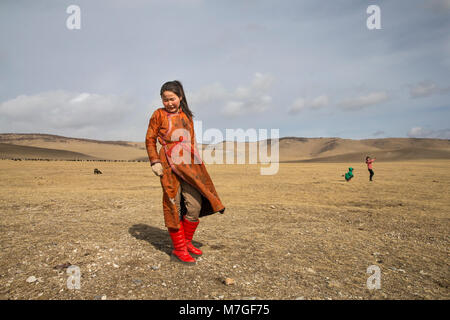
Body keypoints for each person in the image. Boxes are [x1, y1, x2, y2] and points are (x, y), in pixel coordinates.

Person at [145, 80, 225, 264]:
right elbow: (150, 139)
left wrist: (197, 162)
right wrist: (154, 161)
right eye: (165, 99)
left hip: (189, 163)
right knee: (173, 204)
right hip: (167, 162)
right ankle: (179, 250)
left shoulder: (187, 116)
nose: (169, 103)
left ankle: (187, 242)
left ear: (180, 97)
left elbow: (193, 140)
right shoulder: (158, 114)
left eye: (172, 99)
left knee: (195, 205)